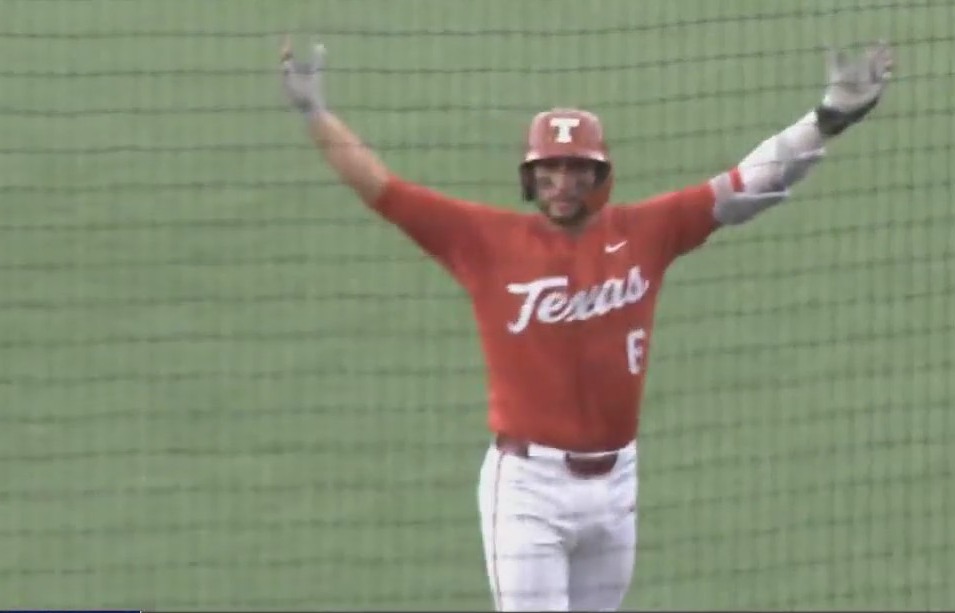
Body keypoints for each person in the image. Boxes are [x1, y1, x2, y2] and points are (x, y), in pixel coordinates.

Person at [280, 37, 893, 612]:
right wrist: (316, 114)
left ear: (600, 175)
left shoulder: (647, 231)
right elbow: (384, 190)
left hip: (617, 483)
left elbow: (747, 186)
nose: (561, 182)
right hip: (527, 492)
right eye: (549, 169)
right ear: (530, 176)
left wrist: (825, 120)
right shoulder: (483, 240)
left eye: (576, 169)